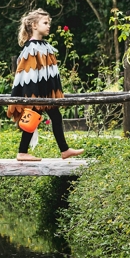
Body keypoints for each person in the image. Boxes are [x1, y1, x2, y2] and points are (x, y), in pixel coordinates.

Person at [7, 8, 84, 161]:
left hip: (46, 93)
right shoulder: (31, 48)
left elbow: (49, 73)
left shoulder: (44, 46)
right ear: (34, 25)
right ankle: (22, 152)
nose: (49, 26)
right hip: (35, 93)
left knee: (55, 117)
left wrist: (52, 93)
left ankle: (64, 150)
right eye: (45, 23)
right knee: (32, 118)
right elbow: (28, 75)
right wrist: (34, 97)